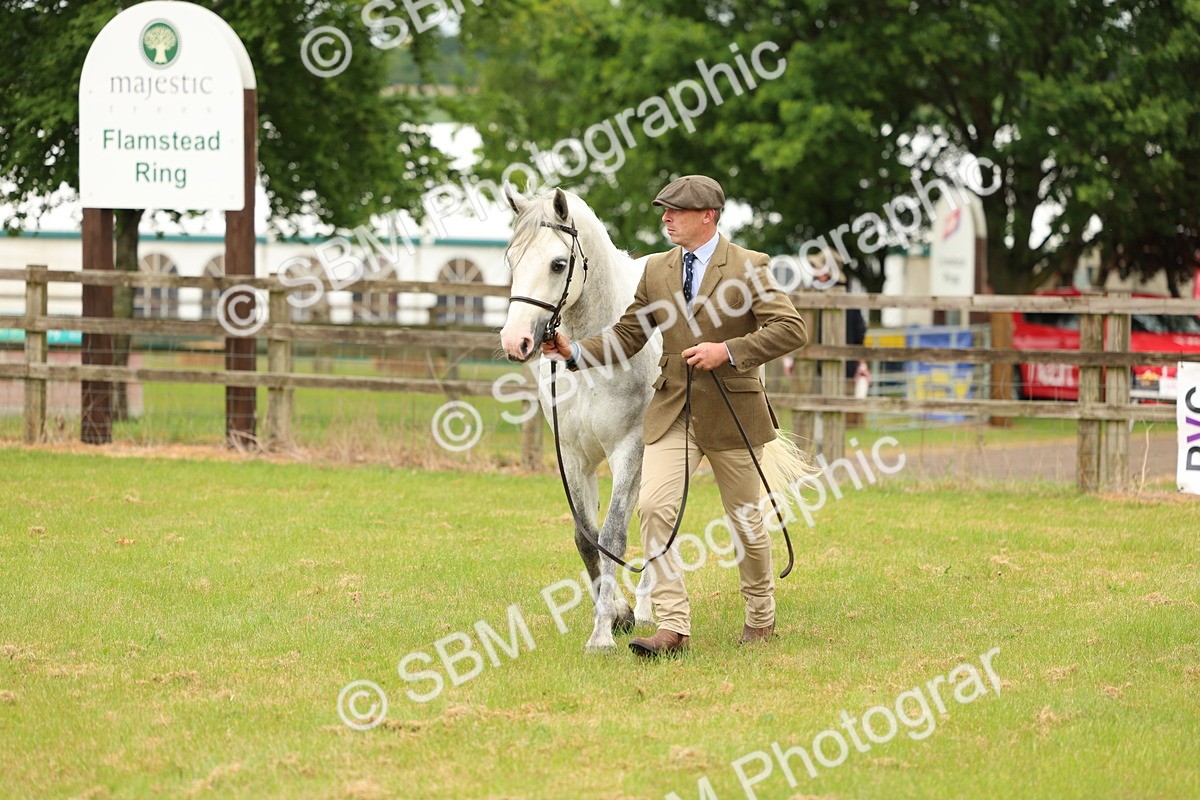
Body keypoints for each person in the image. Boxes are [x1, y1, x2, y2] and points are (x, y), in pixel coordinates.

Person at [542, 175, 808, 657]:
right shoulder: (658, 271)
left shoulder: (749, 266)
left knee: (746, 520)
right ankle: (672, 625)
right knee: (653, 507)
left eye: (676, 211)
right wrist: (574, 349)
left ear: (707, 216)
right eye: (663, 210)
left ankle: (760, 614)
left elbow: (790, 328)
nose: (665, 218)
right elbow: (627, 336)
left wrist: (728, 350)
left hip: (732, 411)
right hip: (673, 409)